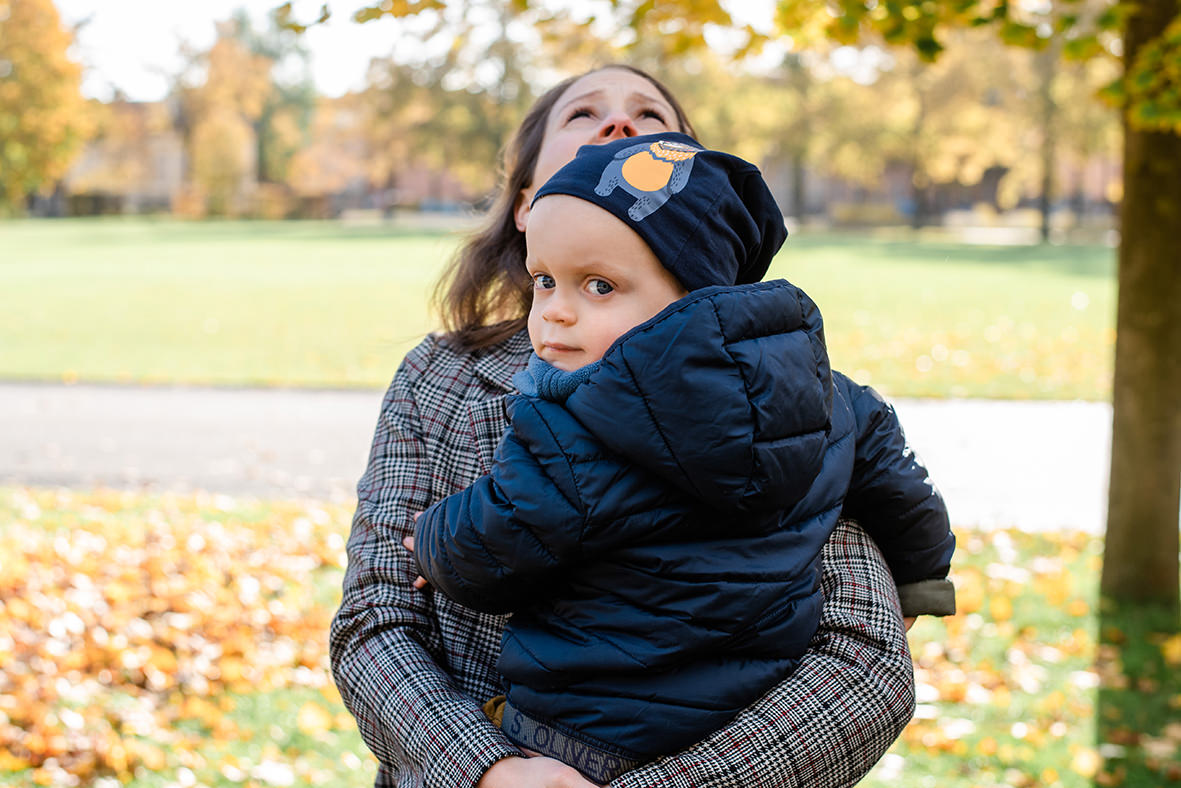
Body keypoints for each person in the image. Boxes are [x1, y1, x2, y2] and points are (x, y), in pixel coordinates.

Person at [331, 64, 929, 788]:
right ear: (526, 206)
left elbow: (865, 663)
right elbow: (375, 618)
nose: (619, 127)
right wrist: (486, 770)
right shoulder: (442, 377)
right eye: (583, 115)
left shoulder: (776, 399)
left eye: (650, 117)